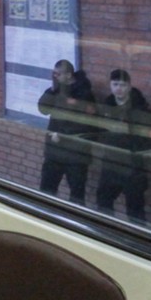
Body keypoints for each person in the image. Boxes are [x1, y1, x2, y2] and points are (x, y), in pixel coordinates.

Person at [94, 68, 151, 222]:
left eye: (123, 85)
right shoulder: (107, 106)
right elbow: (97, 128)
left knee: (135, 208)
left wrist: (135, 144)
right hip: (111, 163)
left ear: (129, 86)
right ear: (110, 85)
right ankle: (106, 234)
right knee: (103, 202)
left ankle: (135, 239)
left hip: (132, 165)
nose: (118, 89)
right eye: (115, 84)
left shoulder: (140, 109)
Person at [38, 60, 99, 204]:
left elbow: (87, 123)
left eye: (58, 74)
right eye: (53, 73)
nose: (55, 76)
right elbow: (43, 109)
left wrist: (64, 135)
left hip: (75, 154)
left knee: (77, 195)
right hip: (55, 152)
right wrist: (52, 90)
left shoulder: (84, 93)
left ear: (69, 75)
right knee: (46, 190)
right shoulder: (56, 90)